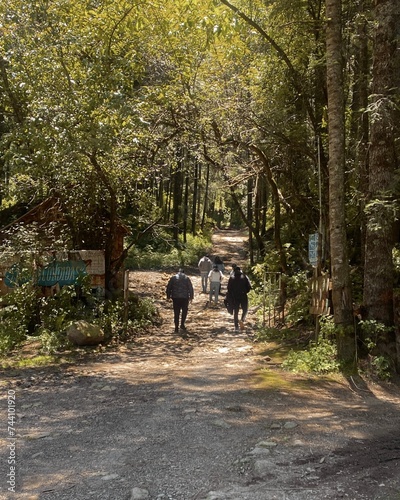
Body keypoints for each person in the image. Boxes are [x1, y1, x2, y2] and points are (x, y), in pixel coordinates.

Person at [166, 268, 194, 334]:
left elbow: (169, 287)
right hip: (184, 297)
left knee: (176, 312)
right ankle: (182, 324)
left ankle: (176, 327)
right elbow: (190, 288)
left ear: (178, 272)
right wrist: (191, 296)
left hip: (175, 297)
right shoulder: (187, 278)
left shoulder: (173, 278)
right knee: (184, 311)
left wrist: (168, 296)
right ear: (184, 272)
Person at [226, 266, 251, 331]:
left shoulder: (232, 277)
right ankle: (242, 319)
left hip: (234, 296)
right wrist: (245, 291)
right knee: (245, 309)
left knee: (236, 311)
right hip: (243, 295)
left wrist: (231, 295)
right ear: (240, 270)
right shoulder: (244, 277)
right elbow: (249, 286)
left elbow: (228, 288)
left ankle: (236, 327)